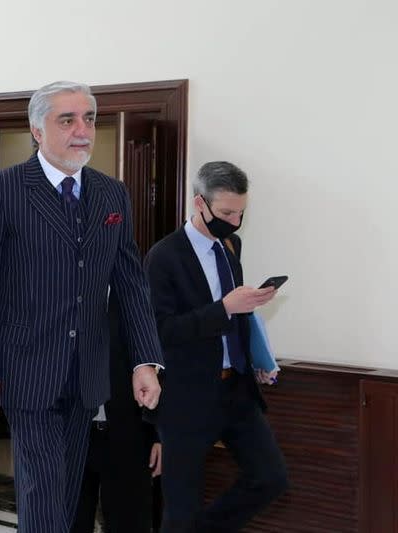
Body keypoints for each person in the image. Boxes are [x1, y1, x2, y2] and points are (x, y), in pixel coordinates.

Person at [0, 80, 164, 533]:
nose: (82, 130)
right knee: (46, 494)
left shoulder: (112, 194)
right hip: (26, 373)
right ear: (37, 130)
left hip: (87, 375)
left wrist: (145, 362)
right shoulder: (1, 190)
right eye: (67, 119)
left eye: (89, 119)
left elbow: (131, 284)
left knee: (67, 496)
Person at [144, 161, 288, 532]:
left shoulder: (230, 245)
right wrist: (223, 308)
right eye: (226, 213)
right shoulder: (163, 257)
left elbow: (234, 317)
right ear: (199, 203)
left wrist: (254, 355)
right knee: (181, 508)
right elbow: (159, 330)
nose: (235, 222)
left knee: (270, 478)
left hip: (236, 389)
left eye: (240, 213)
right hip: (186, 397)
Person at [71, 291, 162, 533]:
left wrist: (159, 436)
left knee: (129, 522)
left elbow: (161, 365)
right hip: (71, 433)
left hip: (128, 432)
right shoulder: (60, 289)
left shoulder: (138, 297)